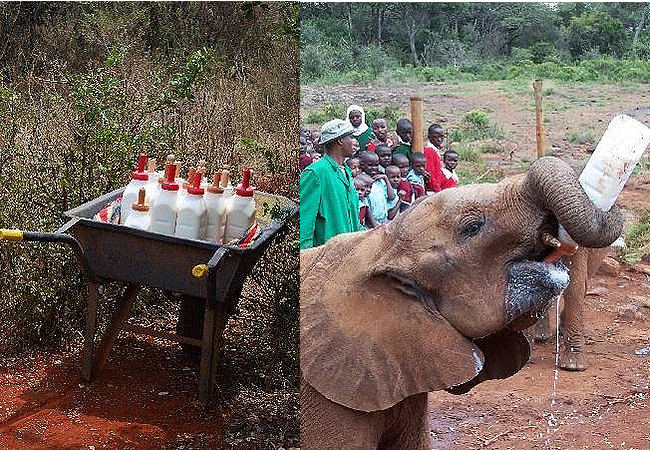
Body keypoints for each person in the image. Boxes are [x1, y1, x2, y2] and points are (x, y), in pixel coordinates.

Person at [300, 119, 362, 249]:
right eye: (350, 137)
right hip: (328, 260)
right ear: (340, 141)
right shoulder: (316, 173)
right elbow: (304, 224)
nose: (354, 142)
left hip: (350, 254)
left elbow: (352, 219)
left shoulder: (346, 172)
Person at [360, 151, 396, 228]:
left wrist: (386, 179)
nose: (374, 168)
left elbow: (391, 197)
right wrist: (374, 223)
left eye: (376, 165)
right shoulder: (362, 181)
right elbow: (366, 205)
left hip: (384, 219)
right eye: (370, 165)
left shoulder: (380, 180)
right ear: (363, 165)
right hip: (372, 222)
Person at [423, 124, 446, 192]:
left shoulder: (435, 150)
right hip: (433, 190)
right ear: (429, 137)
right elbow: (431, 175)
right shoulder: (429, 151)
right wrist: (437, 190)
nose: (439, 139)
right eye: (436, 137)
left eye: (442, 137)